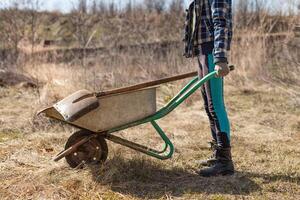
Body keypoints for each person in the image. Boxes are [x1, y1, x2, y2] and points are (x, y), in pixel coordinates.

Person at [184, 0, 234, 177]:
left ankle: (225, 161)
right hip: (203, 51)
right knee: (208, 107)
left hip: (212, 51)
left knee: (216, 106)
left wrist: (220, 57)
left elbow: (221, 22)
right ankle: (218, 153)